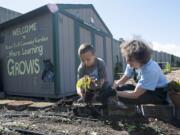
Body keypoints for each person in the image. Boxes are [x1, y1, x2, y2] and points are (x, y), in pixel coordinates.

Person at [112, 40, 168, 105]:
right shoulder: (131, 60)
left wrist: (114, 93)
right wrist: (114, 87)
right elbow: (126, 76)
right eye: (128, 60)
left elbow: (136, 94)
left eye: (131, 62)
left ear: (141, 59)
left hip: (156, 93)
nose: (129, 65)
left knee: (124, 98)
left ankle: (130, 113)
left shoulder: (150, 69)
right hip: (144, 88)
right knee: (120, 88)